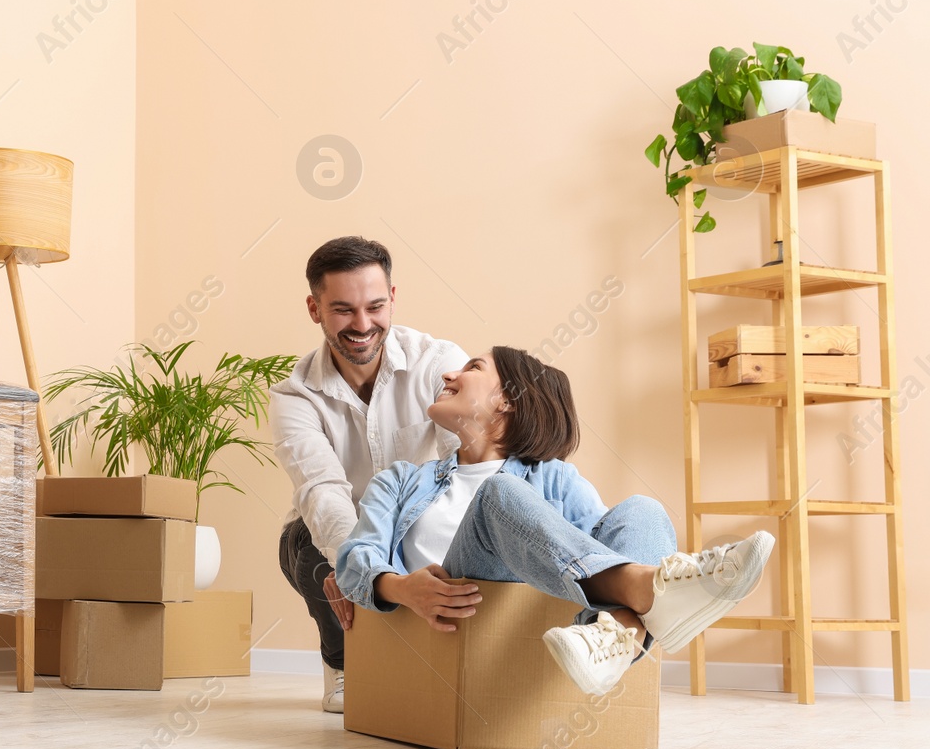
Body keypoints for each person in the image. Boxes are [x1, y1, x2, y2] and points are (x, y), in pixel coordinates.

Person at [333, 346, 774, 695]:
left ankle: (615, 635)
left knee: (643, 509)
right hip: (453, 614)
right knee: (499, 493)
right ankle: (652, 593)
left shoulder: (556, 479)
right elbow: (355, 560)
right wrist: (401, 588)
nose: (448, 375)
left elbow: (609, 544)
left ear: (507, 400)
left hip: (519, 637)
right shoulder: (402, 480)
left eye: (471, 367)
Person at [271, 236, 468, 713]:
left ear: (393, 298)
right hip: (345, 536)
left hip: (426, 529)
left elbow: (470, 463)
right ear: (314, 309)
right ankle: (344, 663)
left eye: (375, 306)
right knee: (303, 542)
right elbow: (322, 492)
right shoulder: (294, 397)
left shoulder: (438, 364)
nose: (362, 325)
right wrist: (359, 565)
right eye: (343, 310)